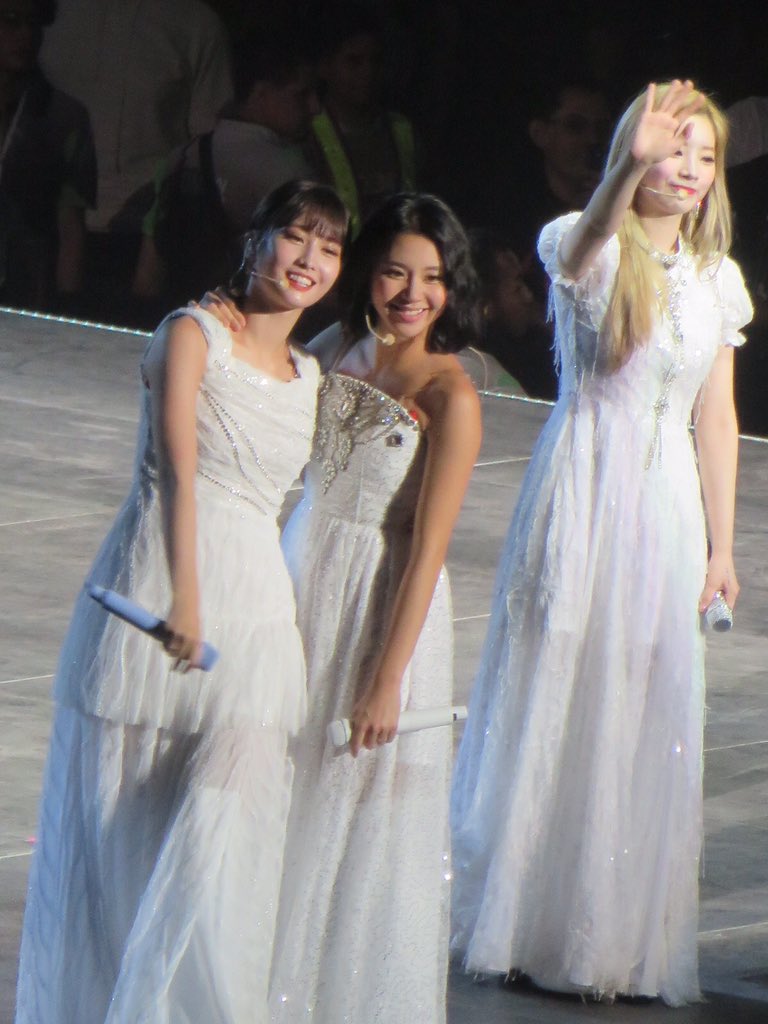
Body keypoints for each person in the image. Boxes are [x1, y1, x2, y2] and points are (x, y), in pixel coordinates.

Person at [14, 180, 348, 1024]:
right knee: (118, 833)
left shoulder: (310, 372)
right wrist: (187, 603)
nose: (310, 260)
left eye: (330, 248)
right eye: (296, 237)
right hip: (162, 587)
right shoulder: (191, 333)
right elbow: (174, 475)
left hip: (257, 610)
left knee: (223, 833)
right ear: (256, 239)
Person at [450, 80, 752, 1006]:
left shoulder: (717, 279)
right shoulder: (581, 241)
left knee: (645, 692)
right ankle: (528, 921)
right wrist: (625, 166)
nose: (689, 170)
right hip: (586, 484)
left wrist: (723, 547)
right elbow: (585, 251)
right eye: (673, 150)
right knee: (565, 680)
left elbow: (716, 417)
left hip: (666, 506)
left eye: (704, 155)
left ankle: (615, 932)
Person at [203, 191, 481, 1023]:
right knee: (275, 770)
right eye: (396, 271)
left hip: (378, 598)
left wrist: (388, 679)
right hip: (301, 567)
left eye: (432, 277)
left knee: (346, 802)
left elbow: (428, 551)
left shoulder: (450, 393)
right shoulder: (332, 349)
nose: (413, 293)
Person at [133, 28, 320, 315]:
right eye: (301, 94)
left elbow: (149, 270)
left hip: (174, 312)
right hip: (241, 319)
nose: (314, 107)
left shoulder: (182, 156)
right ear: (260, 93)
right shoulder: (289, 171)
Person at [0, 0, 96, 313]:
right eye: (11, 20)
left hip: (26, 295)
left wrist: (66, 310)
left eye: (35, 23)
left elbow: (71, 228)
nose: (26, 35)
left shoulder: (65, 117)